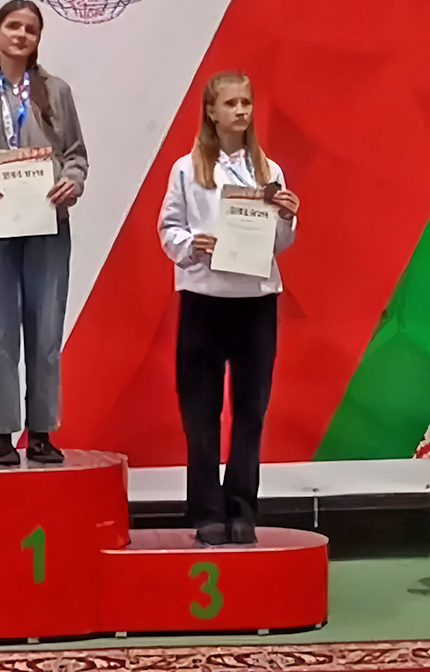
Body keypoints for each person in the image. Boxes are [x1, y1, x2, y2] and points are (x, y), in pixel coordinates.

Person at [157, 70, 300, 546]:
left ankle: (241, 508)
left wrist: (287, 217)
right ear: (211, 112)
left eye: (246, 103)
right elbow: (168, 227)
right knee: (200, 413)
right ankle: (205, 509)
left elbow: (279, 242)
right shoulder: (186, 169)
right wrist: (190, 244)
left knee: (251, 410)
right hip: (203, 299)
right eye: (231, 103)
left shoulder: (269, 171)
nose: (241, 111)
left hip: (255, 303)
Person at [0, 0, 88, 466]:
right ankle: (1, 432)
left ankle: (42, 431)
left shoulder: (57, 91)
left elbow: (76, 155)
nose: (21, 35)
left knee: (45, 330)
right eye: (12, 26)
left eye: (30, 28)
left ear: (38, 38)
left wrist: (72, 182)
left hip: (48, 225)